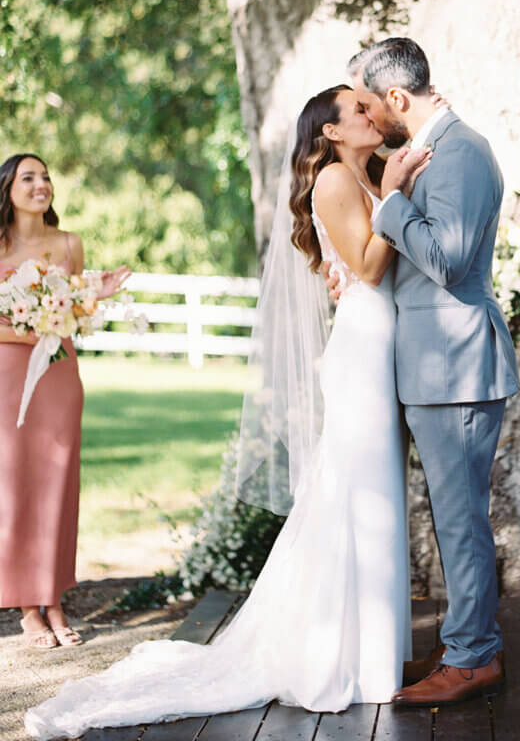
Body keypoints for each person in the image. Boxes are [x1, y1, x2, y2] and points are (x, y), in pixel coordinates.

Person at [25, 86, 431, 738]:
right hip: (362, 340)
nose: (370, 115)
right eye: (357, 110)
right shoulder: (333, 178)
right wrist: (402, 194)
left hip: (375, 336)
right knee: (359, 493)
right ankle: (347, 659)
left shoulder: (362, 173)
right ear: (330, 132)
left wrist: (393, 187)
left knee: (367, 493)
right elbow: (369, 267)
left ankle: (368, 654)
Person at [346, 38, 520, 707]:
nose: (364, 117)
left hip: (457, 368)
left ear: (395, 98)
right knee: (449, 518)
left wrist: (390, 203)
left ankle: (473, 659)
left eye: (366, 102)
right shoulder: (426, 153)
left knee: (460, 520)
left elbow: (447, 261)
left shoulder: (463, 152)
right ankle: (463, 643)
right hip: (428, 366)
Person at [0, 154, 130, 650]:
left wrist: (97, 295)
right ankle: (28, 608)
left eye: (46, 177)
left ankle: (53, 598)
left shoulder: (68, 244)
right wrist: (33, 332)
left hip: (58, 377)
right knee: (15, 485)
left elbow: (73, 314)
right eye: (28, 178)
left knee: (58, 481)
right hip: (8, 380)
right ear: (8, 188)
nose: (41, 185)